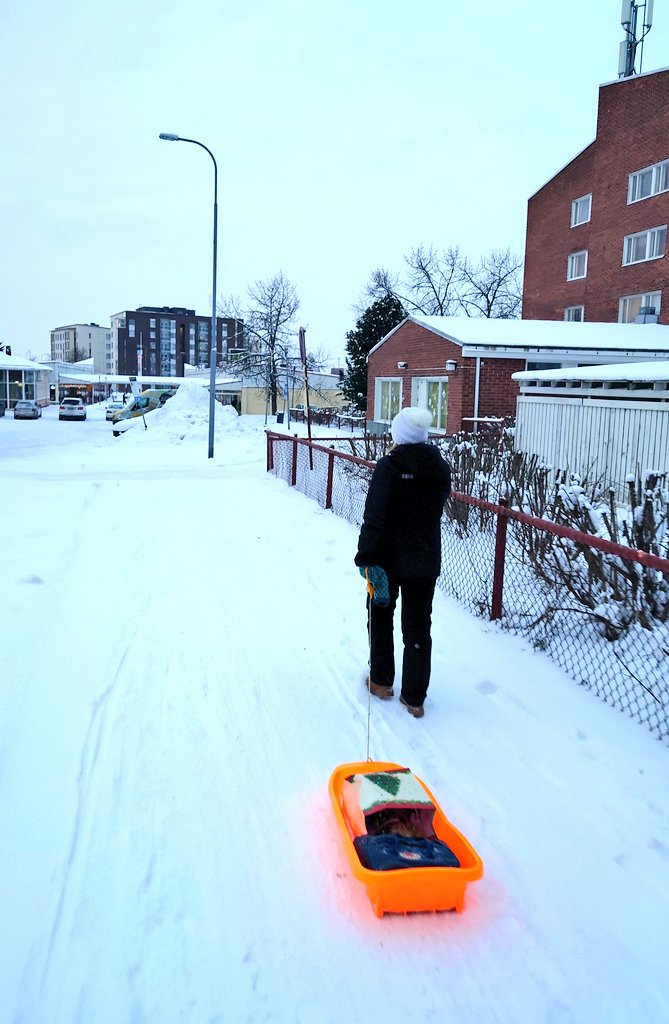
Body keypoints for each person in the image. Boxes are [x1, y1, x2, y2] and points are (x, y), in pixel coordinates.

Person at [355, 407, 451, 718]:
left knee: (380, 615)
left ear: (399, 434)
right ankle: (414, 698)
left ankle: (381, 680)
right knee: (419, 626)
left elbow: (375, 517)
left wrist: (364, 556)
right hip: (424, 561)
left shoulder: (389, 467)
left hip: (387, 560)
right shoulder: (439, 468)